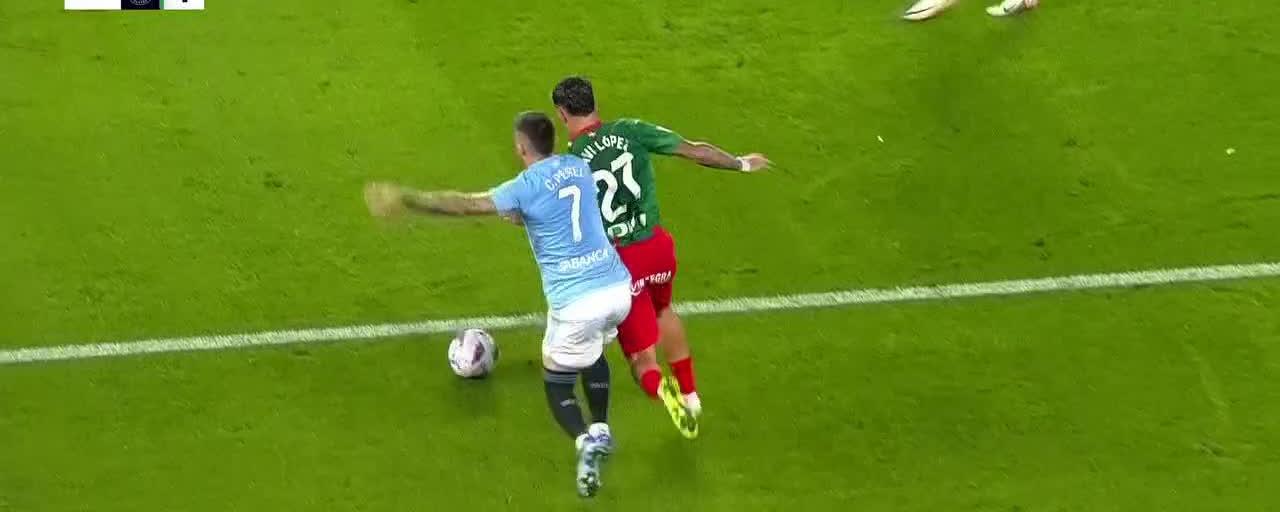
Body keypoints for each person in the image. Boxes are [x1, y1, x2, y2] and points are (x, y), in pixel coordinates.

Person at [363, 111, 630, 498]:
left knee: (557, 377)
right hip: (616, 287)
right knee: (593, 350)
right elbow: (561, 210)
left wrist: (408, 200)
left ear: (521, 147)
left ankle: (584, 439)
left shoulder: (523, 186)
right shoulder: (577, 167)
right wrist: (525, 217)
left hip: (577, 300)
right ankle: (602, 427)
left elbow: (465, 205)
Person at [551, 76, 770, 439]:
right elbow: (693, 149)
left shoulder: (569, 164)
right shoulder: (632, 130)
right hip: (658, 248)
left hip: (623, 264)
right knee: (664, 309)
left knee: (641, 360)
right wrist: (741, 164)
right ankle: (690, 393)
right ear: (595, 102)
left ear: (562, 114)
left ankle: (660, 388)